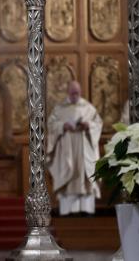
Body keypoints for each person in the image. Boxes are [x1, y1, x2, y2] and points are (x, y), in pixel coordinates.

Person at [47, 81, 103, 216]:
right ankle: (68, 210)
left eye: (77, 93)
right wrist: (63, 126)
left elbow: (98, 123)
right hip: (67, 150)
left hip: (84, 148)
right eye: (72, 93)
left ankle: (86, 209)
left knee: (85, 176)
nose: (74, 95)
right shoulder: (59, 108)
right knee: (69, 176)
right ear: (68, 92)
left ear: (80, 92)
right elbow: (51, 124)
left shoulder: (88, 108)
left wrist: (88, 125)